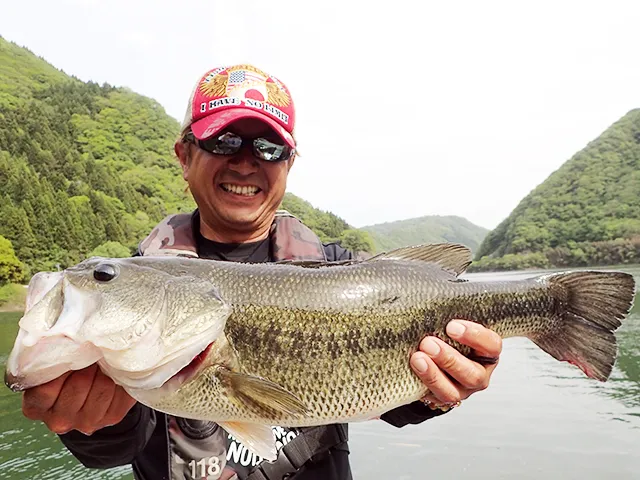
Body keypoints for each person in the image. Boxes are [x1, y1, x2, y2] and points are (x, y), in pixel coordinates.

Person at [20, 64, 503, 480]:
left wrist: (437, 392)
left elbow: (387, 400)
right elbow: (116, 447)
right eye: (224, 139)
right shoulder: (139, 284)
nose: (247, 161)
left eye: (270, 147)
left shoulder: (343, 273)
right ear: (184, 155)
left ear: (289, 164)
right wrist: (93, 421)